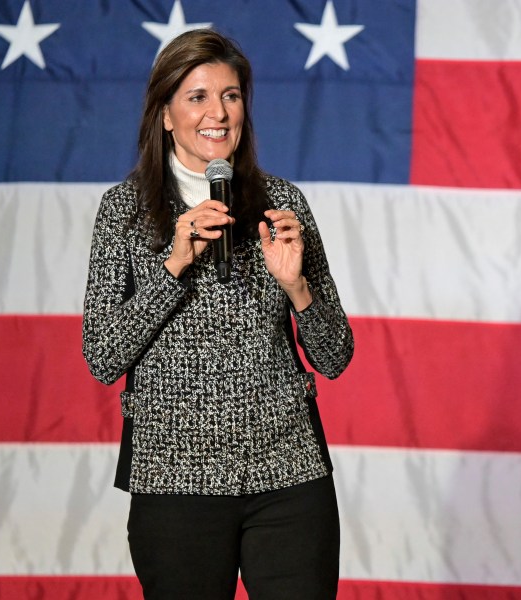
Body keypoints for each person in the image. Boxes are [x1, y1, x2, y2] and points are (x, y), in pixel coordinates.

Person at [82, 28, 354, 599]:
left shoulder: (283, 203)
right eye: (198, 97)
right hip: (175, 479)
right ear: (165, 115)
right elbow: (103, 358)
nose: (218, 113)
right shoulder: (124, 211)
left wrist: (297, 286)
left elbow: (335, 356)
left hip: (288, 474)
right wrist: (173, 265)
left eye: (231, 96)